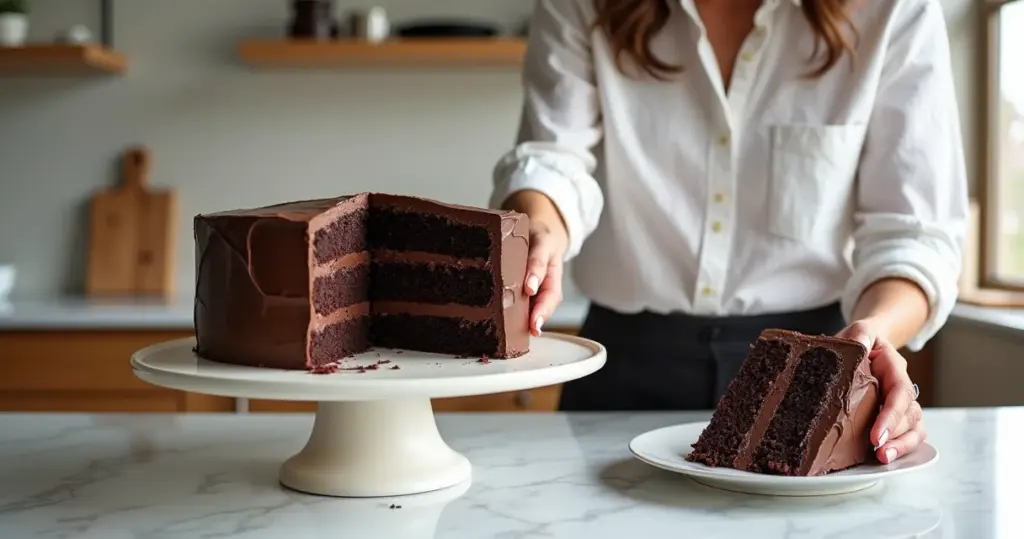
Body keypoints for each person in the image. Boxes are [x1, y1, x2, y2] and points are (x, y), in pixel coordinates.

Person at [490, 0, 968, 466]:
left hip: (815, 372)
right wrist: (539, 233)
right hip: (622, 361)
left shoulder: (895, 11)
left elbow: (915, 236)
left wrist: (872, 337)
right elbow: (554, 155)